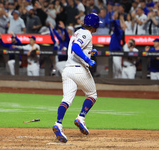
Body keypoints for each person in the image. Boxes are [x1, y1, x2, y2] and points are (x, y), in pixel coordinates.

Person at [52, 13, 101, 143]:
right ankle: (81, 118)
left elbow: (78, 47)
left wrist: (90, 53)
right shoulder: (88, 34)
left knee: (67, 99)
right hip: (79, 70)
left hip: (67, 70)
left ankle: (58, 124)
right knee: (92, 94)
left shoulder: (77, 32)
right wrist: (87, 60)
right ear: (94, 25)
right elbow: (75, 47)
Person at [109, 11, 124, 79]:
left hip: (117, 52)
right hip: (112, 52)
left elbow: (116, 28)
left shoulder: (119, 32)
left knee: (118, 67)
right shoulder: (113, 33)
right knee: (114, 69)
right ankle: (116, 81)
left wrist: (114, 20)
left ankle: (121, 79)